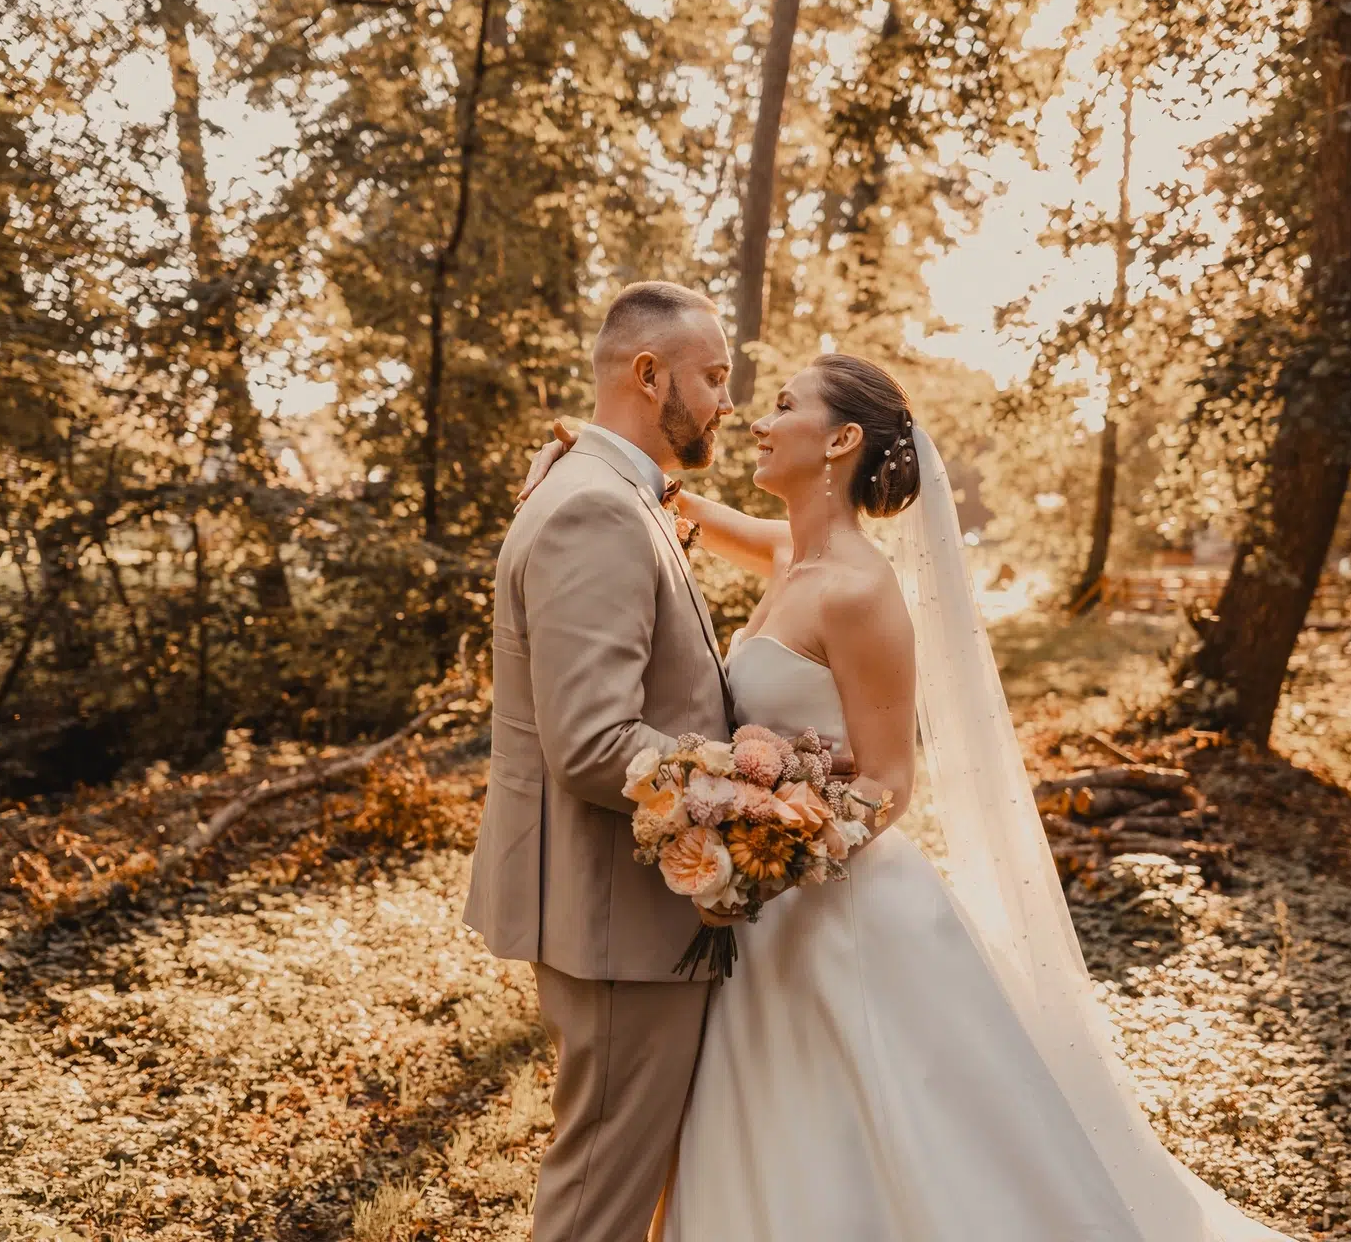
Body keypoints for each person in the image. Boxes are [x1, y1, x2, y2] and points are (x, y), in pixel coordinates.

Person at [516, 352, 1295, 1241]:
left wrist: (778, 846)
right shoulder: (791, 557)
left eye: (780, 406)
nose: (757, 423)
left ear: (841, 439)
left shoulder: (859, 590)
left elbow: (889, 784)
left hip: (832, 911)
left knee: (892, 1136)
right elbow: (672, 503)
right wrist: (590, 449)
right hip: (756, 918)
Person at [462, 280, 738, 1242]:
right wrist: (754, 789)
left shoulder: (601, 488)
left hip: (624, 912)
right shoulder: (597, 510)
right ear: (647, 372)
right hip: (617, 915)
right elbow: (593, 744)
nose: (725, 402)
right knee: (597, 1203)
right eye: (713, 376)